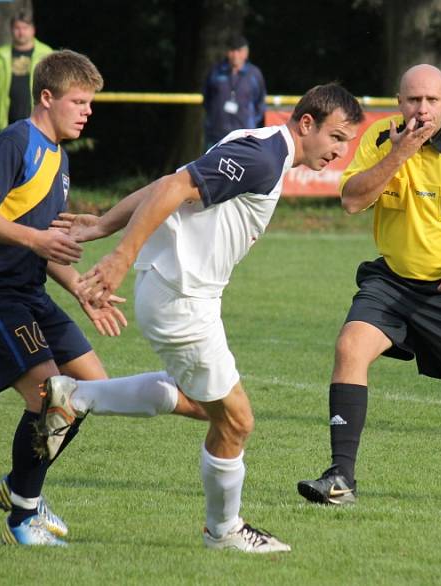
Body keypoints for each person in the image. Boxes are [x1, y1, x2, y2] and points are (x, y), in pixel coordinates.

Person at [47, 83, 364, 552]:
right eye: (336, 138)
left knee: (203, 405)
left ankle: (76, 396)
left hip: (182, 295)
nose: (339, 151)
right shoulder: (261, 157)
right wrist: (117, 256)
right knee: (236, 421)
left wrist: (101, 223)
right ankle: (225, 531)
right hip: (183, 299)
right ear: (306, 124)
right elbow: (177, 187)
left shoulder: (260, 149)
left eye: (346, 143)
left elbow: (169, 184)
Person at [0, 50, 205, 547]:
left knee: (91, 386)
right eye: (79, 101)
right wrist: (36, 241)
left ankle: (19, 487)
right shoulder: (15, 141)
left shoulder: (60, 158)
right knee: (53, 399)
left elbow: (48, 247)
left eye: (91, 101)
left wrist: (84, 290)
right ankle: (23, 517)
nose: (87, 111)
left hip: (29, 291)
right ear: (46, 98)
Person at [297, 64, 441, 507]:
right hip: (392, 281)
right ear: (399, 103)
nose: (421, 109)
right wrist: (400, 153)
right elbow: (352, 201)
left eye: (431, 101)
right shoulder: (380, 140)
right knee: (351, 347)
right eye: (412, 100)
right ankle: (341, 478)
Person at [0, 10, 54, 137]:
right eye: (17, 28)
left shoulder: (47, 54)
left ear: (33, 30)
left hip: (38, 125)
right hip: (2, 125)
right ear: (11, 30)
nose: (21, 32)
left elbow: (57, 88)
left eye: (25, 28)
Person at [202, 33, 266, 150]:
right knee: (211, 167)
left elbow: (260, 103)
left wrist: (249, 124)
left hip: (244, 136)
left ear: (246, 53)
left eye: (239, 51)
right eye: (232, 50)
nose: (235, 54)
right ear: (227, 52)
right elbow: (207, 99)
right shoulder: (216, 71)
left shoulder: (254, 74)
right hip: (216, 135)